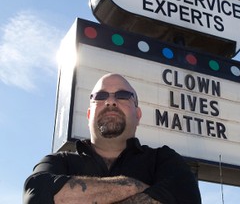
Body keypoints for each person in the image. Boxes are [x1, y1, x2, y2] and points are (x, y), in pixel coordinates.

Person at [23, 73, 201, 204]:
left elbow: (186, 197)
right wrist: (132, 186)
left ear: (138, 115)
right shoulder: (57, 162)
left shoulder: (164, 160)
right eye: (100, 96)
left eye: (123, 96)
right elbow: (36, 194)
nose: (110, 102)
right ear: (89, 114)